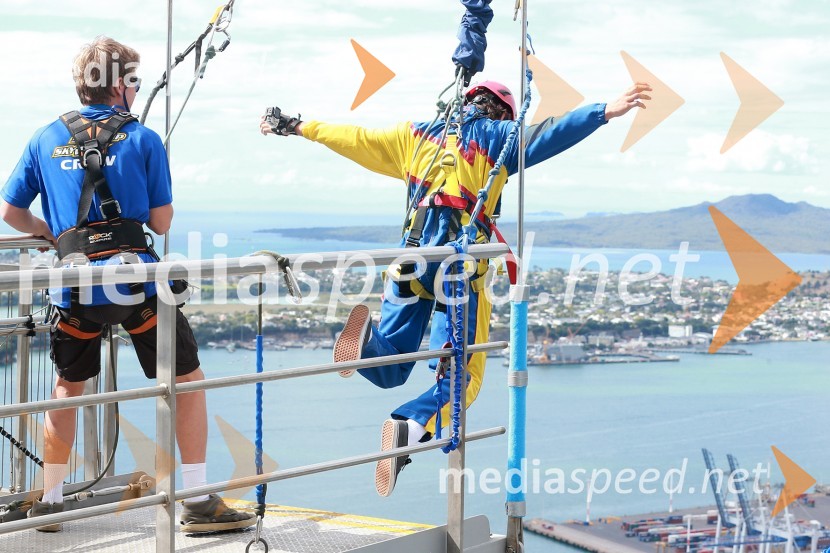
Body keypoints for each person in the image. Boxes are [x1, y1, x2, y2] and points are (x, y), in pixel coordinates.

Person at [260, 78, 651, 496]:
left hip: (411, 260)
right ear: (501, 110)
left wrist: (296, 126)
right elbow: (549, 132)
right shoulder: (499, 137)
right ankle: (409, 424)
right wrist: (603, 111)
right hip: (459, 268)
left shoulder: (414, 135)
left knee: (392, 367)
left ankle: (370, 343)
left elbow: (354, 138)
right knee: (465, 379)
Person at [0, 36, 255, 533]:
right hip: (136, 287)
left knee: (67, 389)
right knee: (185, 382)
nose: (136, 90)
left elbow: (11, 212)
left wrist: (51, 234)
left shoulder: (44, 138)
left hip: (74, 287)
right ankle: (198, 498)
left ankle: (51, 501)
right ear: (119, 85)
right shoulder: (143, 139)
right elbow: (160, 221)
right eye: (134, 81)